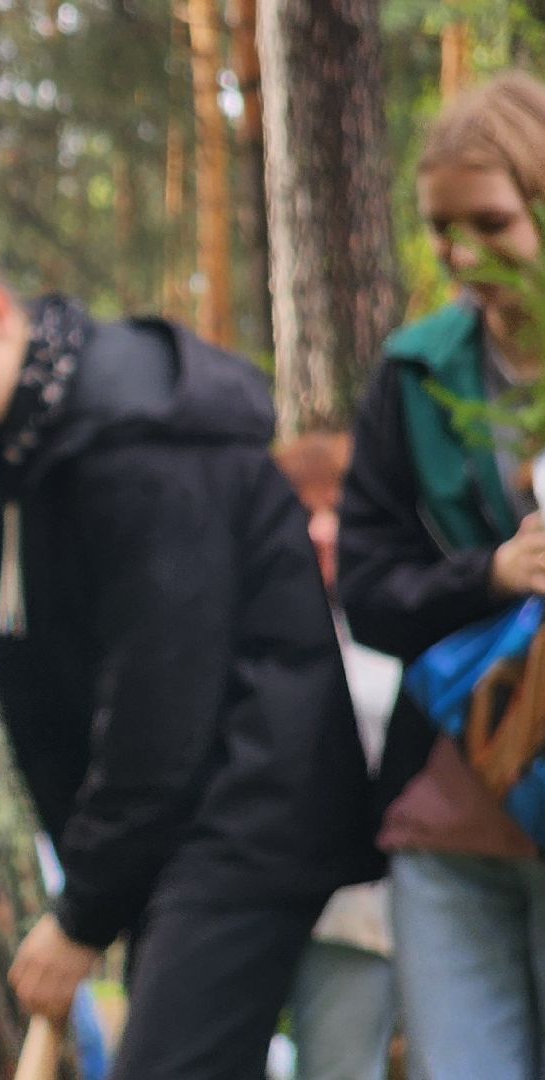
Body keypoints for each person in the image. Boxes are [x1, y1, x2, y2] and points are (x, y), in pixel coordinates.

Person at [0, 229, 378, 1079]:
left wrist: (83, 912)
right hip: (175, 834)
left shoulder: (142, 443)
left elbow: (160, 702)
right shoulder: (24, 449)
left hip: (246, 807)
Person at [337, 71, 545, 1080]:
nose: (463, 257)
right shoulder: (413, 372)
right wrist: (490, 573)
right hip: (452, 813)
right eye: (440, 230)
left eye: (491, 223)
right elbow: (370, 592)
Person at [276, 433, 403, 1080]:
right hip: (254, 895)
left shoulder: (400, 623)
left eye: (338, 511)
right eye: (304, 512)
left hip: (361, 910)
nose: (322, 530)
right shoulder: (237, 630)